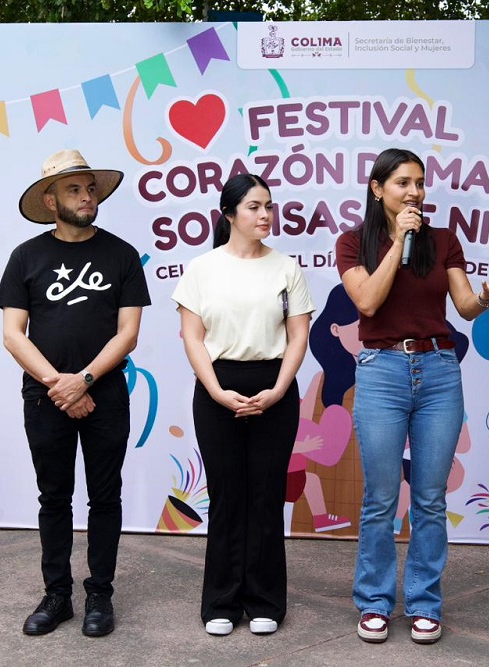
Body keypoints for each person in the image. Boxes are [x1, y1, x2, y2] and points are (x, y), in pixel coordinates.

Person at [335, 148, 489, 645]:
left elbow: (464, 306)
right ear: (378, 189)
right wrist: (399, 241)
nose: (415, 192)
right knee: (380, 497)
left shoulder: (443, 240)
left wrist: (488, 293)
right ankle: (375, 602)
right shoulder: (352, 243)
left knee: (430, 498)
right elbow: (368, 301)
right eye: (403, 183)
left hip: (439, 370)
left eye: (420, 182)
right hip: (381, 371)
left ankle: (423, 603)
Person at [0, 149, 150, 638]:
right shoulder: (26, 256)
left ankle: (100, 594)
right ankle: (57, 595)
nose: (86, 197)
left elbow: (128, 334)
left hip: (105, 394)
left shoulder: (122, 254)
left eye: (90, 188)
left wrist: (83, 380)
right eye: (74, 189)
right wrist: (58, 385)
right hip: (45, 398)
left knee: (105, 497)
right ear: (51, 200)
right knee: (54, 497)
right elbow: (13, 334)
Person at [172, 173, 314, 637]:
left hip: (275, 388)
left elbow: (298, 336)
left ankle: (265, 601)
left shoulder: (286, 268)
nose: (265, 215)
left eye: (268, 206)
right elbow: (192, 337)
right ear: (229, 214)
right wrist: (216, 391)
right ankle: (221, 602)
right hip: (217, 388)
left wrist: (278, 390)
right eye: (254, 207)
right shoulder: (201, 269)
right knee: (227, 496)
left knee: (267, 496)